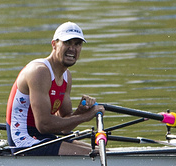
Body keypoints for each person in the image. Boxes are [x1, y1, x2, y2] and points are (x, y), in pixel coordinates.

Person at [6, 22, 104, 156]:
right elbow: (44, 125)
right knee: (97, 154)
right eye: (67, 43)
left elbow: (64, 128)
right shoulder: (39, 72)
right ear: (54, 44)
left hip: (43, 138)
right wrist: (85, 117)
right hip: (23, 141)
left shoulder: (66, 75)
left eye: (77, 44)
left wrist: (80, 112)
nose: (72, 49)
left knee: (103, 151)